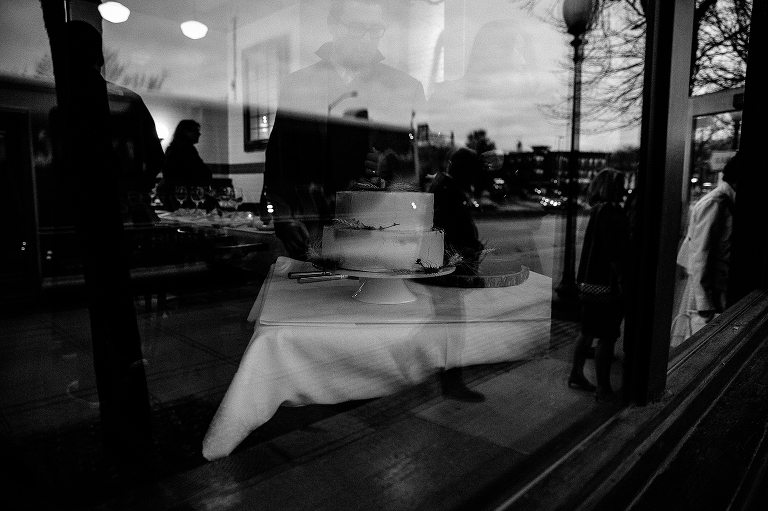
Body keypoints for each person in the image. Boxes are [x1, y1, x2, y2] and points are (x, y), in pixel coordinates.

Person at [264, 0, 426, 259]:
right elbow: (279, 162)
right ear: (333, 25)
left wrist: (391, 164)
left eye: (375, 29)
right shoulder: (298, 86)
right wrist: (285, 221)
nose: (367, 38)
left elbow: (421, 167)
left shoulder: (405, 88)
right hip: (312, 232)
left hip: (381, 232)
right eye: (356, 28)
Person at [568, 169, 630, 402]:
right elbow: (615, 251)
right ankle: (604, 388)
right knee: (607, 335)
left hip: (591, 284)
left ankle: (576, 372)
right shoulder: (612, 213)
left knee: (587, 331)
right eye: (622, 184)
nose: (625, 189)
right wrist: (622, 279)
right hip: (607, 284)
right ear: (612, 187)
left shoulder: (597, 211)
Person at [671, 152, 739, 345]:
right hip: (712, 294)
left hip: (716, 290)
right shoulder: (715, 203)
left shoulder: (725, 201)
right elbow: (700, 255)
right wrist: (704, 302)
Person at [429, 146, 485, 275]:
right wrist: (472, 246)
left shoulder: (446, 188)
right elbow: (453, 237)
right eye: (473, 170)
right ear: (465, 171)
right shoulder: (448, 193)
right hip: (453, 273)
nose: (474, 177)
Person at [160, 120, 212, 210]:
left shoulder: (174, 148)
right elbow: (197, 171)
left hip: (176, 193)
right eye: (196, 131)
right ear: (186, 132)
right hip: (183, 194)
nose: (199, 134)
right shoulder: (185, 149)